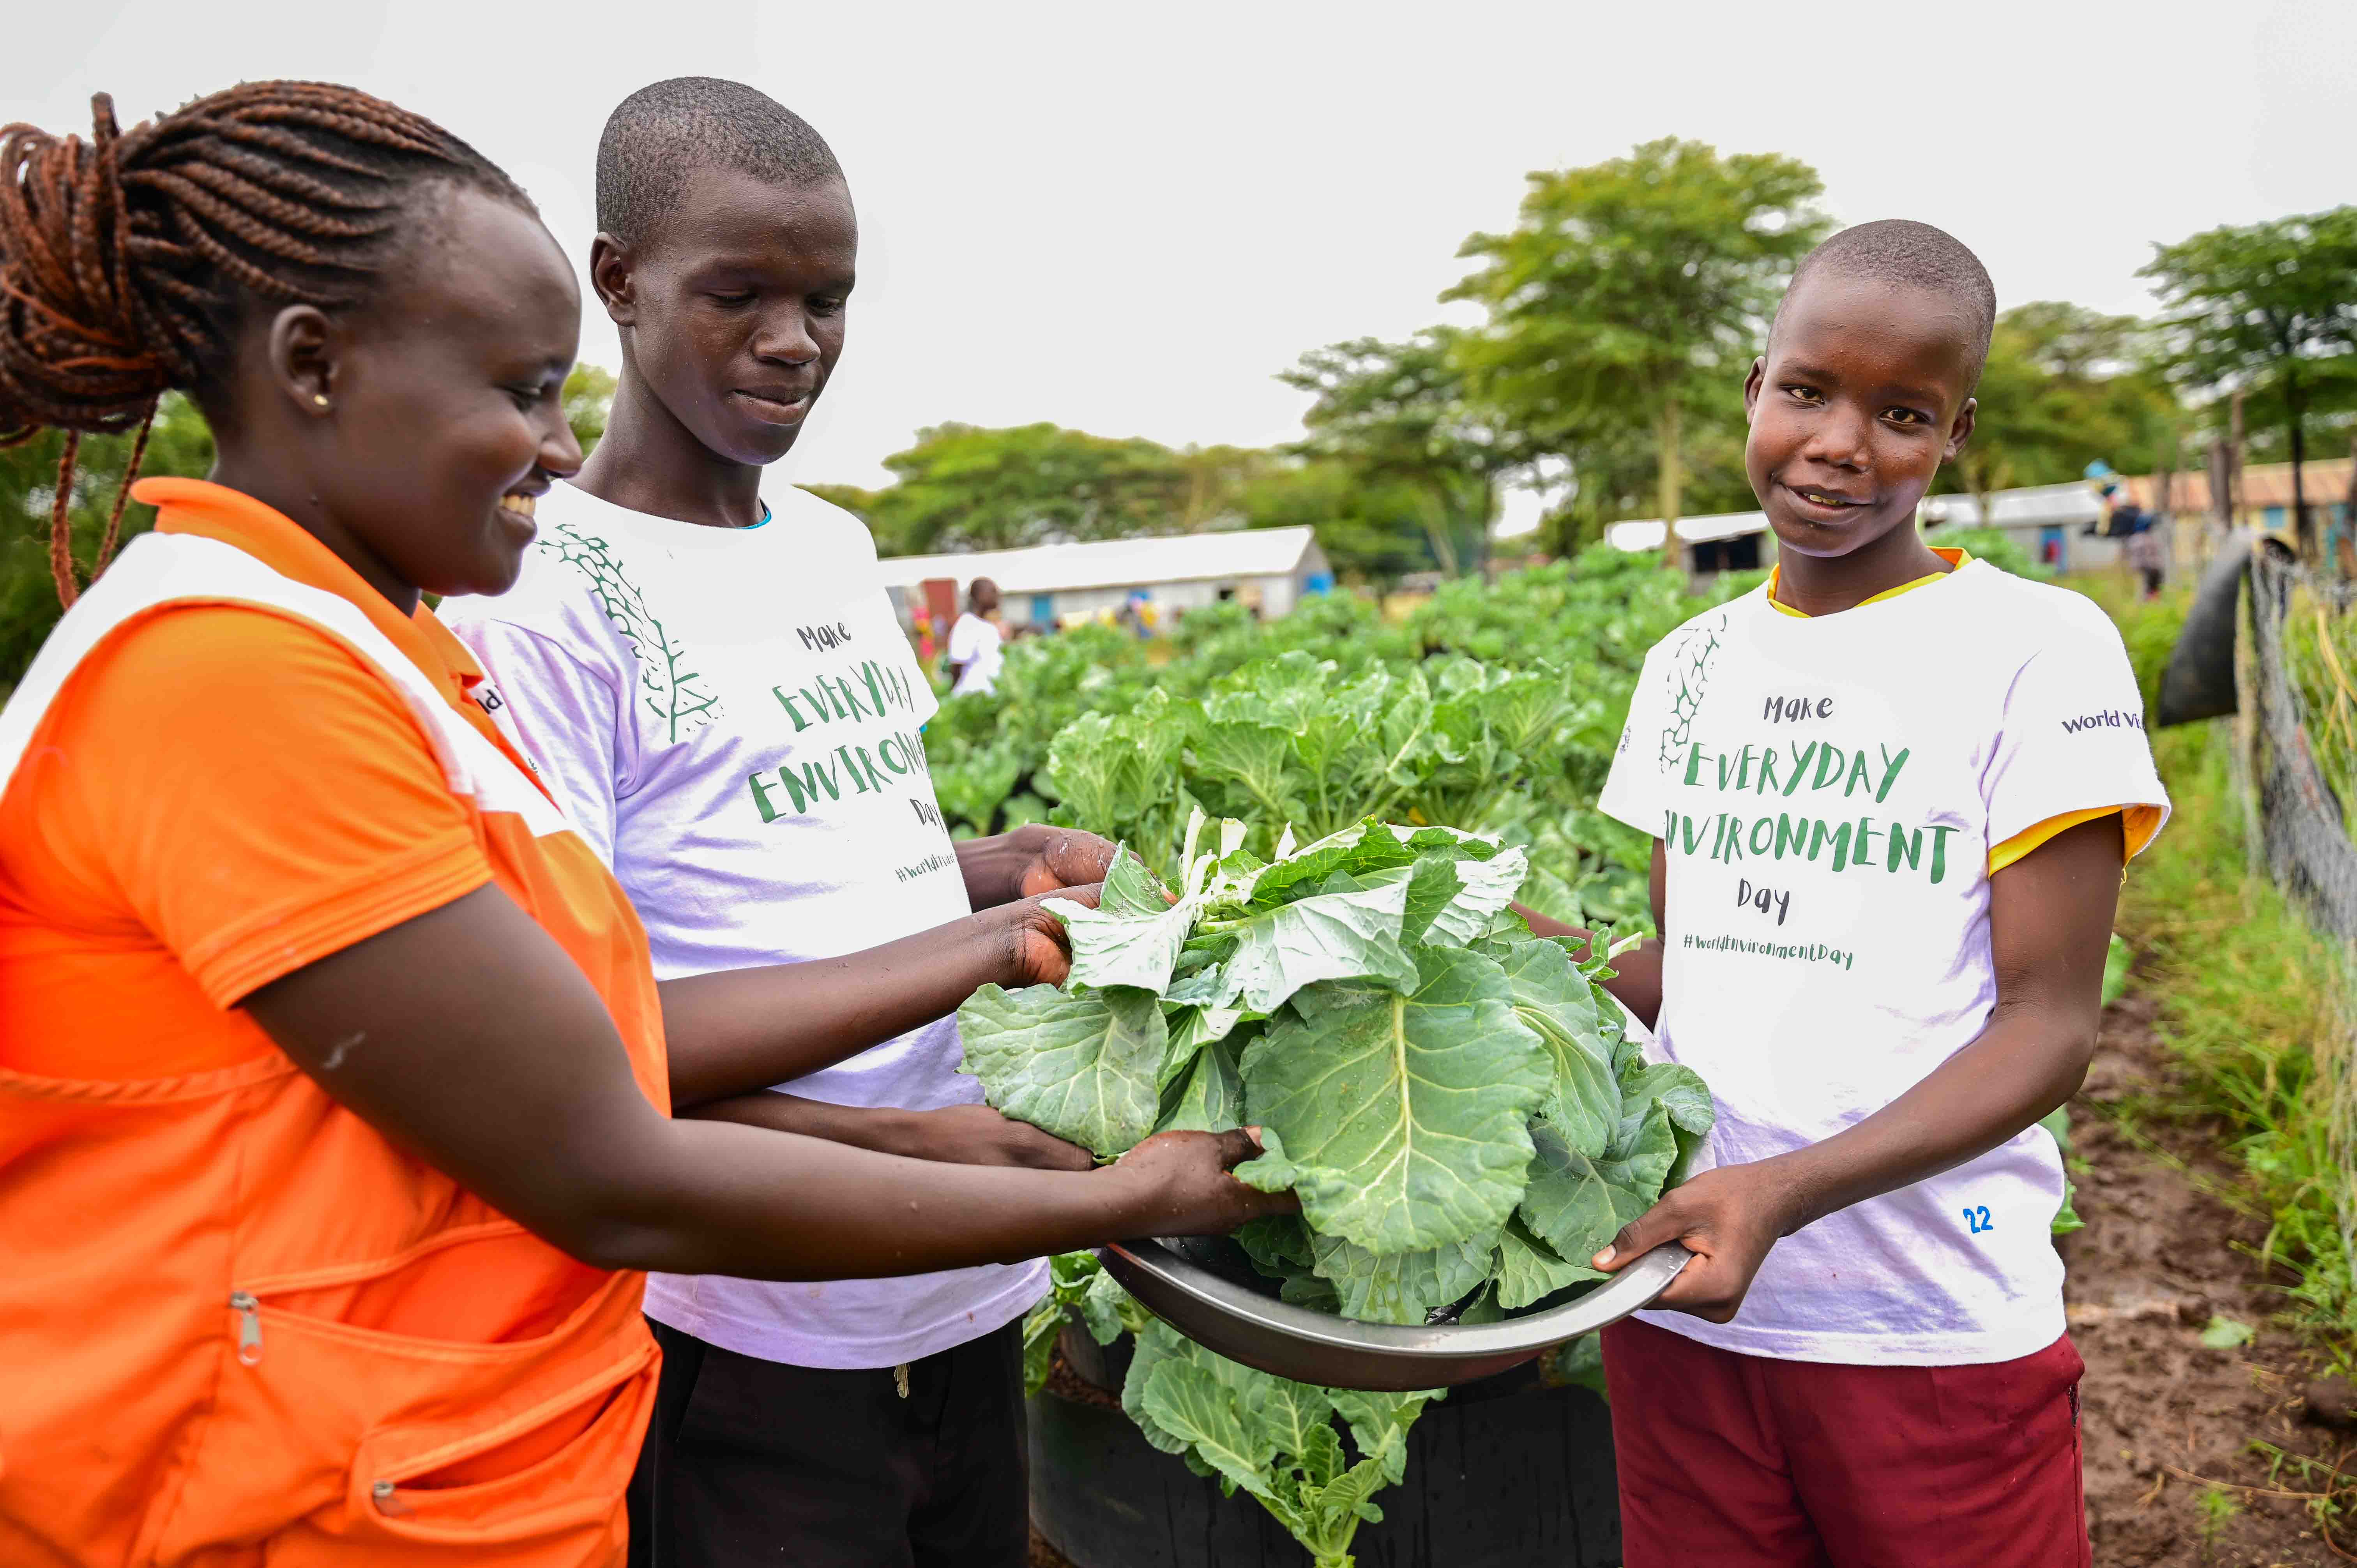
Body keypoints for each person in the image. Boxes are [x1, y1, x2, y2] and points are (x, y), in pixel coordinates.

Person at [0, 82, 1282, 1568]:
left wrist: (973, 1001)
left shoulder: (374, 659)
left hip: (426, 1469)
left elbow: (570, 1013)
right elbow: (604, 1149)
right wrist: (1107, 1182)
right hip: (265, 1498)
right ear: (314, 368)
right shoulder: (225, 677)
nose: (556, 446)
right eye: (521, 387)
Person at [435, 80, 1091, 1568]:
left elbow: (833, 847)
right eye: (737, 294)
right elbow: (583, 1029)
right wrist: (980, 952)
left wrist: (1008, 871)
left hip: (966, 1268)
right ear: (618, 283)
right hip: (748, 1320)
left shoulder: (835, 546)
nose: (793, 341)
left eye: (827, 298)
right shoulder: (545, 589)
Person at [1580, 221, 2169, 1567]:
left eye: (1899, 413)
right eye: (1807, 391)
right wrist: (1506, 960)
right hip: (1683, 1304)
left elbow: (2044, 1024)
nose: (1840, 444)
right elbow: (1694, 960)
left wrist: (1782, 1189)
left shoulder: (2034, 647)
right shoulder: (1688, 661)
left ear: (1953, 433)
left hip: (1923, 1324)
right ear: (1754, 387)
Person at [946, 575, 1005, 695]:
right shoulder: (967, 624)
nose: (997, 596)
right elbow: (957, 664)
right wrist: (952, 692)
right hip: (971, 697)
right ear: (978, 595)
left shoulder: (987, 626)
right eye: (993, 591)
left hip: (989, 697)